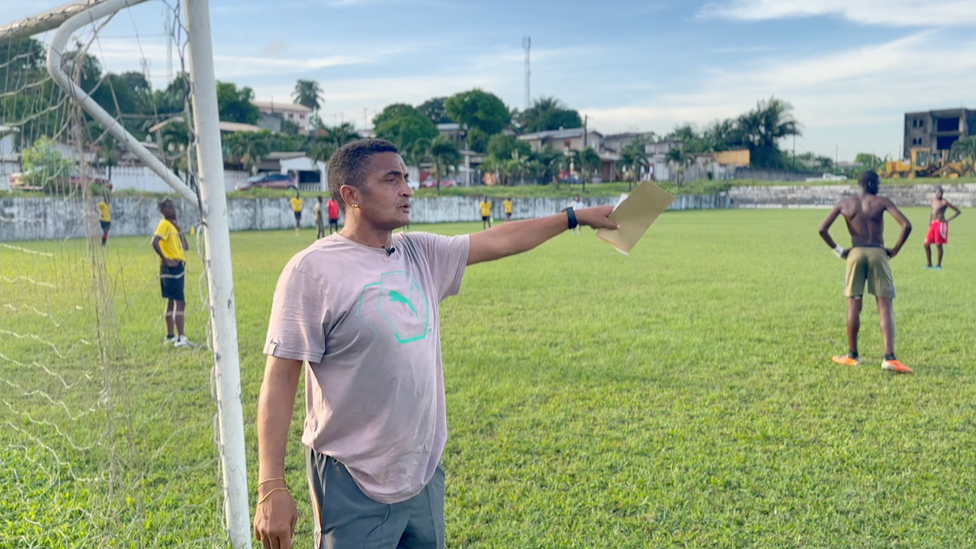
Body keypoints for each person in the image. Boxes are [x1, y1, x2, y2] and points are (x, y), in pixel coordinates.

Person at [253, 138, 617, 549]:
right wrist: (271, 484)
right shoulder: (312, 271)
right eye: (391, 179)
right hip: (350, 479)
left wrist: (575, 217)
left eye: (406, 178)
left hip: (422, 472)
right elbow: (280, 378)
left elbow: (500, 240)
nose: (407, 190)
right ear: (351, 195)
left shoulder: (420, 252)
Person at [818, 170, 912, 373]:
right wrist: (895, 249)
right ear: (870, 184)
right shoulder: (881, 202)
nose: (879, 186)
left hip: (855, 254)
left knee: (853, 305)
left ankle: (852, 355)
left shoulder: (845, 204)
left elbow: (822, 229)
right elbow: (906, 225)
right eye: (877, 183)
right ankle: (889, 357)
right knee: (884, 305)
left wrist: (839, 251)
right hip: (878, 253)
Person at [152, 198, 193, 348]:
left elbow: (185, 246)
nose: (172, 210)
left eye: (173, 207)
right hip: (171, 267)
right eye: (168, 208)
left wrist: (179, 229)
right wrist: (166, 259)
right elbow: (155, 241)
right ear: (162, 210)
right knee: (179, 302)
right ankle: (181, 338)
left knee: (171, 301)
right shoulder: (164, 224)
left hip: (178, 266)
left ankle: (170, 336)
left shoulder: (172, 226)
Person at [924, 187, 961, 269]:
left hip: (940, 224)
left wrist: (948, 220)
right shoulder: (933, 201)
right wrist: (930, 220)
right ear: (935, 193)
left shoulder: (944, 202)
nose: (939, 194)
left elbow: (958, 211)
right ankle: (929, 264)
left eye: (940, 193)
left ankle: (938, 265)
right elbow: (932, 211)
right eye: (937, 192)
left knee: (938, 244)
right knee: (926, 244)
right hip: (933, 224)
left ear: (942, 193)